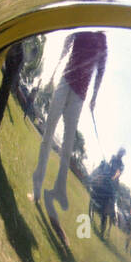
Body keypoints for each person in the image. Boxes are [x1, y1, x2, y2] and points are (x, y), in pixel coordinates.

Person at [31, 30, 107, 209]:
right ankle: (36, 189)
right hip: (66, 81)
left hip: (79, 96)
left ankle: (58, 190)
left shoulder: (103, 40)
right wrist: (62, 54)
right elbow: (69, 36)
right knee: (48, 133)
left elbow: (101, 72)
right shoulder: (85, 21)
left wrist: (94, 97)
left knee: (67, 146)